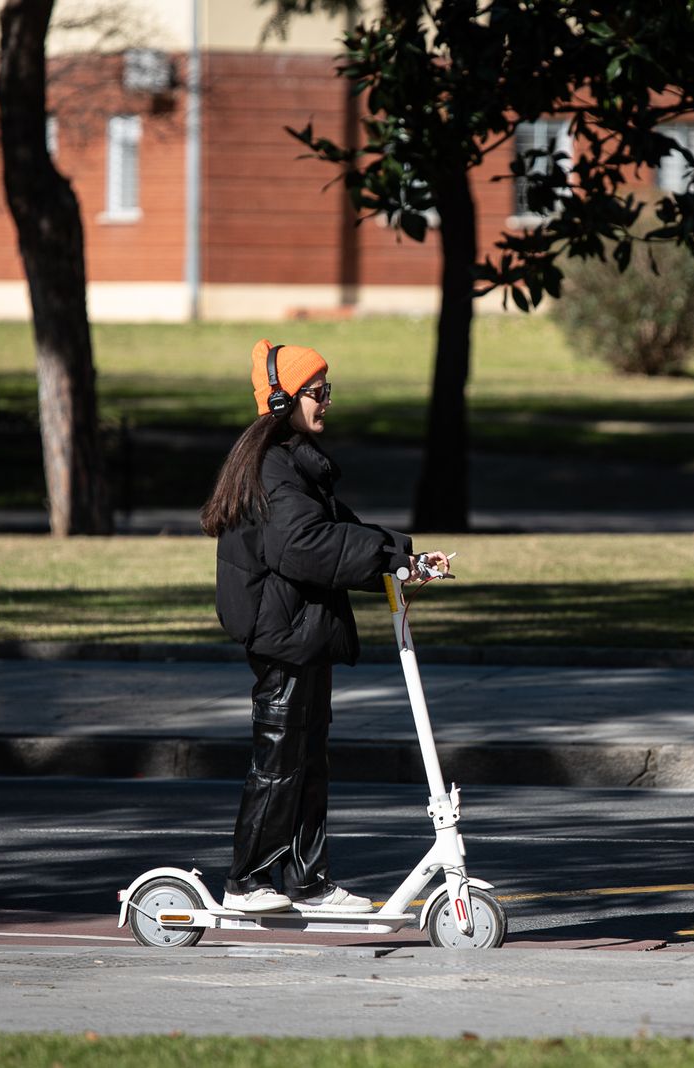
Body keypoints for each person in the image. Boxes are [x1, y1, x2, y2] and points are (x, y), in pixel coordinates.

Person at [200, 338, 448, 913]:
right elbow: (304, 546)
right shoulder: (273, 467)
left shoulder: (292, 462)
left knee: (308, 760)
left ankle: (307, 882)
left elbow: (338, 533)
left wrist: (402, 557)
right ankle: (247, 882)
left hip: (302, 628)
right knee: (279, 760)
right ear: (283, 396)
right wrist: (389, 555)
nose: (326, 402)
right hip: (284, 633)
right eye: (317, 392)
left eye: (326, 391)